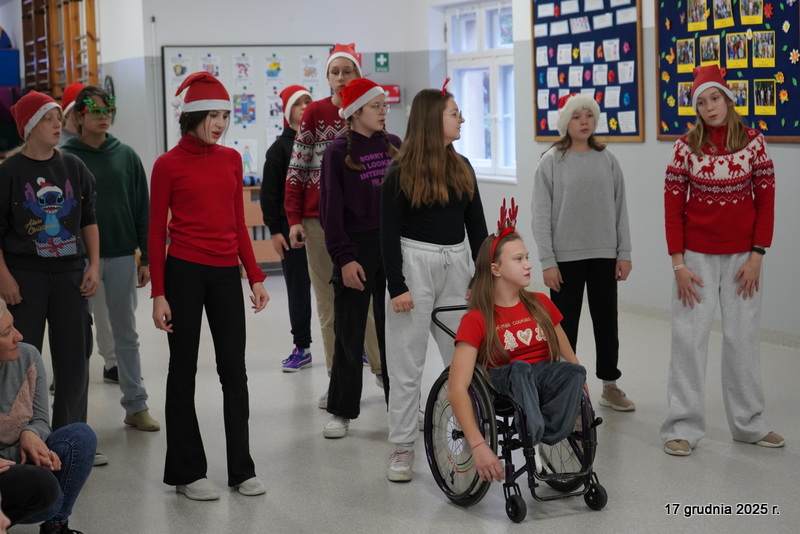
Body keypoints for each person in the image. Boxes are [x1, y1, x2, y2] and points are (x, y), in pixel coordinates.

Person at [149, 72, 269, 500]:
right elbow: (155, 233)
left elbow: (237, 223)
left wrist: (255, 275)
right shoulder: (167, 164)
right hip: (183, 272)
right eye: (212, 116)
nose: (220, 124)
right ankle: (187, 473)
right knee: (182, 371)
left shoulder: (231, 159)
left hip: (223, 275)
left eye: (225, 116)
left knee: (234, 371)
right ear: (192, 117)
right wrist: (158, 293)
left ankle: (242, 469)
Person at [661, 65, 782, 457]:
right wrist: (679, 265)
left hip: (743, 259)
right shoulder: (685, 148)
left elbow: (766, 202)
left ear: (728, 99)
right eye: (701, 102)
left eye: (715, 98)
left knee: (742, 339)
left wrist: (757, 255)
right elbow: (672, 209)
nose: (709, 107)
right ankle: (682, 426)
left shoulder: (754, 143)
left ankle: (749, 424)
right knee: (688, 340)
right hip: (695, 259)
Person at [381, 84, 487, 482]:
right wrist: (397, 286)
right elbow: (387, 234)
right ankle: (402, 445)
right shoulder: (399, 172)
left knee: (463, 360)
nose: (462, 119)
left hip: (457, 266)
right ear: (431, 120)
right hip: (413, 266)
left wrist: (480, 277)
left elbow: (478, 229)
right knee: (406, 365)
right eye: (455, 113)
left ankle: (465, 437)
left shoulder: (463, 167)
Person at [447, 212, 586, 483]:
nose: (528, 265)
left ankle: (548, 430)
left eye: (527, 258)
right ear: (496, 269)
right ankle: (532, 431)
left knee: (575, 372)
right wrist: (478, 445)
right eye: (519, 259)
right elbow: (456, 388)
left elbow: (567, 353)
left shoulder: (540, 303)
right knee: (521, 369)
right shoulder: (477, 319)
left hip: (543, 374)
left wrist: (581, 383)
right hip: (506, 378)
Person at [284, 43, 383, 407]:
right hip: (318, 222)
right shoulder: (315, 112)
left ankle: (382, 371)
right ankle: (336, 380)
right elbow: (297, 166)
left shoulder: (371, 111)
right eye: (334, 72)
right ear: (327, 77)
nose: (341, 78)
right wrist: (294, 218)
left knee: (369, 303)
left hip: (361, 225)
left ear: (358, 74)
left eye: (347, 71)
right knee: (329, 306)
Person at [62, 86, 160, 433]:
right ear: (79, 116)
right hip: (77, 260)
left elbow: (142, 209)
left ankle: (136, 405)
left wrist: (146, 258)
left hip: (120, 255)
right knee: (78, 338)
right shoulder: (65, 158)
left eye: (108, 111)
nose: (104, 117)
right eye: (95, 111)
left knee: (126, 334)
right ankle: (72, 417)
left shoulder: (127, 156)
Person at [0, 91, 99, 432]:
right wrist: (4, 277)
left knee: (75, 360)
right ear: (30, 126)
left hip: (70, 275)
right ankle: (21, 436)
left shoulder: (74, 166)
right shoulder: (9, 172)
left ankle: (70, 437)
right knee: (21, 358)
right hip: (24, 277)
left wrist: (94, 265)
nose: (58, 125)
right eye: (48, 119)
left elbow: (89, 220)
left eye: (59, 118)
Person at [531, 92, 634, 412]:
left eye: (589, 115)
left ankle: (609, 385)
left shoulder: (608, 160)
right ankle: (564, 388)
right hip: (565, 259)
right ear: (565, 122)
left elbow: (620, 208)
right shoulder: (551, 161)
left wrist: (624, 252)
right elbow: (540, 215)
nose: (584, 122)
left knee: (607, 323)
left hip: (604, 254)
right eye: (576, 117)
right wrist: (547, 261)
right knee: (564, 327)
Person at [319, 78, 400, 438]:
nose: (384, 112)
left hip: (391, 246)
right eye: (376, 106)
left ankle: (401, 405)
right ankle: (342, 410)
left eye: (385, 106)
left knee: (394, 333)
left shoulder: (394, 145)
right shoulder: (337, 153)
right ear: (355, 112)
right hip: (355, 249)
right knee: (349, 334)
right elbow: (330, 212)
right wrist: (345, 257)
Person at [0, 297, 96, 534]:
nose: (19, 336)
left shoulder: (28, 356)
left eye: (13, 326)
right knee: (44, 489)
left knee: (80, 435)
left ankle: (56, 527)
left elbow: (42, 420)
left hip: (19, 458)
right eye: (6, 332)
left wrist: (30, 433)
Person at [260, 85, 315, 372]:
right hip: (290, 228)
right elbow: (270, 195)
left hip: (321, 226)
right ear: (287, 111)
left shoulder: (321, 143)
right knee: (298, 289)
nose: (305, 106)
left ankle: (352, 345)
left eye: (308, 101)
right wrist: (275, 230)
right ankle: (301, 347)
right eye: (298, 103)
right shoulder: (279, 150)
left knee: (337, 287)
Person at [57, 82, 85, 148]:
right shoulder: (55, 142)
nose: (84, 111)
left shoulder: (95, 139)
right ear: (67, 112)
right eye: (79, 107)